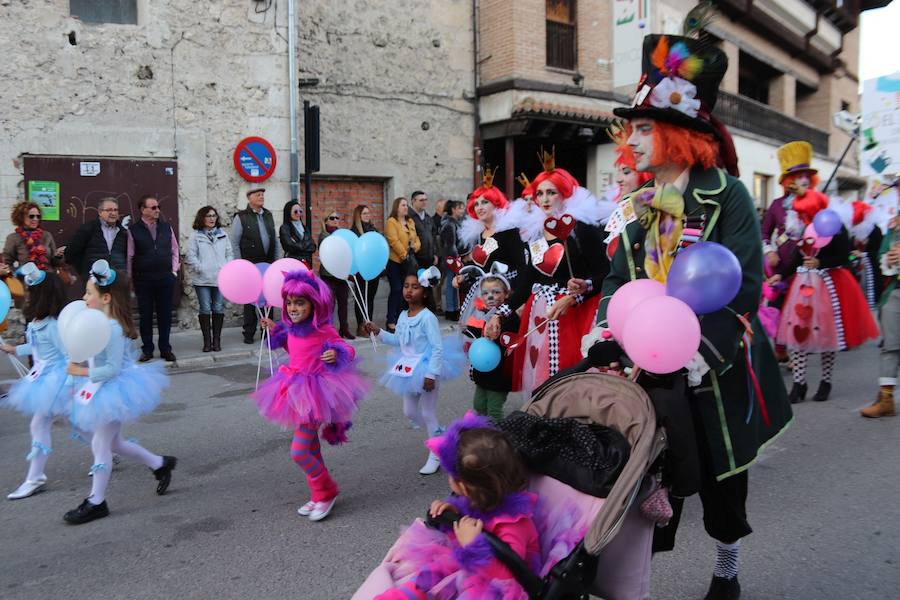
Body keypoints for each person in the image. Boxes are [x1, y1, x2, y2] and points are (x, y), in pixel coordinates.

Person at [588, 32, 793, 600]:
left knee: (723, 481)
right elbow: (617, 276)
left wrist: (700, 354)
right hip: (648, 368)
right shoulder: (641, 204)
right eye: (635, 128)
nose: (634, 140)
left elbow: (744, 285)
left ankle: (727, 566)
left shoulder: (727, 196)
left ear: (679, 131)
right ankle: (633, 582)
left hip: (713, 372)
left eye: (647, 127)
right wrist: (606, 324)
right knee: (650, 483)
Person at [361, 413, 540, 599]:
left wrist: (473, 547)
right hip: (464, 568)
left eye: (453, 477)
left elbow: (508, 578)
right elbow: (461, 530)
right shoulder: (478, 500)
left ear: (466, 486)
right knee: (429, 574)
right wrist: (453, 512)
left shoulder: (513, 525)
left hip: (493, 585)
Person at [490, 151, 613, 396]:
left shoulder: (582, 230)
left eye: (551, 192)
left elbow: (605, 275)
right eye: (540, 194)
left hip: (573, 316)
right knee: (541, 382)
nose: (544, 199)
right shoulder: (534, 234)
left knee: (570, 384)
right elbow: (526, 283)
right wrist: (498, 315)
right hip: (540, 318)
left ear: (565, 194)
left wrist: (577, 293)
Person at [64, 260, 175, 524]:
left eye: (88, 293)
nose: (84, 297)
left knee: (101, 444)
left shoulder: (112, 328)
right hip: (99, 388)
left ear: (105, 297)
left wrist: (78, 372)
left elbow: (112, 369)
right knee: (114, 443)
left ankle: (96, 501)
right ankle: (160, 464)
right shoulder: (97, 322)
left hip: (114, 389)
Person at [252, 270, 368, 521]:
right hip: (294, 389)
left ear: (314, 303)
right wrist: (275, 329)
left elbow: (346, 347)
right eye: (290, 302)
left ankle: (326, 491)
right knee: (311, 447)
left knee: (299, 451)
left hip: (315, 392)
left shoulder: (323, 330)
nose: (293, 308)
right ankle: (318, 494)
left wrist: (336, 353)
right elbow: (291, 347)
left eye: (300, 302)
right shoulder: (292, 328)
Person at [774, 203, 879, 404]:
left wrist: (821, 263)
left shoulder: (838, 229)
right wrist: (780, 274)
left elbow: (844, 257)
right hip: (804, 287)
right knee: (798, 332)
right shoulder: (806, 229)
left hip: (829, 286)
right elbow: (797, 258)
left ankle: (826, 381)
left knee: (827, 334)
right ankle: (799, 383)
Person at [365, 269, 465, 475]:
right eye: (406, 286)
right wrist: (379, 331)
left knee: (428, 412)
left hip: (427, 368)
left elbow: (437, 347)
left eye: (415, 287)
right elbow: (399, 341)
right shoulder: (403, 315)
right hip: (408, 369)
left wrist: (430, 374)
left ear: (425, 292)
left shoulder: (428, 318)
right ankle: (440, 435)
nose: (409, 291)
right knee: (409, 412)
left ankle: (436, 453)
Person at [2, 265, 70, 500]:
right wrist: (13, 348)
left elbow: (68, 355)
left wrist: (67, 384)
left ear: (41, 296)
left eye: (31, 292)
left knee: (39, 424)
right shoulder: (38, 321)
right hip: (43, 377)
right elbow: (37, 347)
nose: (27, 295)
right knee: (79, 424)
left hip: (57, 380)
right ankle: (108, 450)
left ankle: (35, 477)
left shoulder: (52, 325)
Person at [455, 169, 527, 323]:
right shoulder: (479, 235)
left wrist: (519, 300)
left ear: (496, 204)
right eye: (476, 204)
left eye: (485, 202)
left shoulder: (509, 231)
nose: (479, 207)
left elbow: (522, 267)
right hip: (483, 295)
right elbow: (480, 267)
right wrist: (464, 277)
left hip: (506, 294)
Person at [461, 271, 519, 421]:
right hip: (483, 372)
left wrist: (498, 335)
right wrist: (468, 329)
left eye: (496, 292)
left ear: (506, 294)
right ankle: (483, 435)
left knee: (494, 409)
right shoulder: (484, 313)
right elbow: (478, 333)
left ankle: (499, 439)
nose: (490, 296)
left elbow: (513, 339)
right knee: (479, 405)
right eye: (486, 293)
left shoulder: (510, 317)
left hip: (500, 373)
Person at [127, 194, 179, 362]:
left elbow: (175, 250)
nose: (157, 210)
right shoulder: (134, 230)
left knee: (165, 315)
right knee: (146, 315)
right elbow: (130, 256)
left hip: (165, 277)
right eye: (153, 207)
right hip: (144, 279)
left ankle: (165, 348)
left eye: (158, 207)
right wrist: (130, 279)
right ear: (143, 210)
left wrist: (174, 271)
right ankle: (147, 349)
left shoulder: (166, 227)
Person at [231, 188, 280, 344]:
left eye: (262, 194)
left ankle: (267, 332)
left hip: (268, 263)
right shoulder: (241, 217)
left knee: (269, 298)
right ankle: (249, 332)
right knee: (250, 299)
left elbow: (275, 238)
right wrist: (240, 265)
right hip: (250, 264)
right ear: (249, 198)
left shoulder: (268, 215)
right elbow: (234, 242)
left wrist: (277, 261)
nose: (261, 197)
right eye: (257, 195)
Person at [864, 214, 900, 418]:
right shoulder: (896, 223)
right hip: (896, 290)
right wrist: (889, 258)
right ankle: (886, 399)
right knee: (891, 345)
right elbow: (882, 254)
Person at [185, 206, 232, 353]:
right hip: (202, 280)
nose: (212, 218)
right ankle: (207, 342)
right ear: (202, 218)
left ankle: (216, 341)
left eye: (214, 215)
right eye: (208, 216)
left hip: (220, 279)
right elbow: (190, 256)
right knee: (205, 309)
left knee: (218, 308)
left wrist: (226, 266)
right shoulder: (196, 236)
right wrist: (201, 267)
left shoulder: (223, 234)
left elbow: (229, 253)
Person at [605, 122, 654, 259]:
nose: (618, 179)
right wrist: (590, 282)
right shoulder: (616, 213)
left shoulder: (657, 211)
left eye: (626, 172)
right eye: (618, 172)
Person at [64, 197, 128, 283]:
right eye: (109, 210)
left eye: (115, 210)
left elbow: (128, 255)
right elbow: (71, 253)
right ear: (100, 212)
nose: (113, 213)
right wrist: (85, 271)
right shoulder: (88, 229)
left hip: (117, 277)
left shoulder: (123, 232)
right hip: (95, 278)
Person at [384, 197, 421, 332]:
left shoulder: (410, 221)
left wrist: (415, 247)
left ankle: (401, 317)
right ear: (396, 207)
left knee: (406, 291)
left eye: (406, 205)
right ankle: (391, 320)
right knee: (396, 289)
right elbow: (393, 240)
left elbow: (416, 239)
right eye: (403, 205)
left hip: (408, 262)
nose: (406, 207)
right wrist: (404, 255)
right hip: (395, 262)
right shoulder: (391, 222)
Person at [318, 212, 355, 340]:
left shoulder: (342, 235)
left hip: (341, 274)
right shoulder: (324, 235)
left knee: (343, 303)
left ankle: (344, 329)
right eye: (331, 218)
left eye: (337, 218)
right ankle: (329, 331)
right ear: (326, 221)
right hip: (328, 275)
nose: (335, 220)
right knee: (330, 305)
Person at [3, 201, 64, 271]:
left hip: (48, 278)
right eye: (31, 216)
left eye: (38, 216)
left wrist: (58, 256)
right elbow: (7, 262)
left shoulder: (47, 235)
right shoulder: (14, 238)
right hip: (27, 280)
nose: (35, 219)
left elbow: (56, 263)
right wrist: (17, 274)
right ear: (21, 217)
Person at [350, 204, 380, 337]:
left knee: (371, 298)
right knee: (361, 298)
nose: (367, 216)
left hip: (374, 268)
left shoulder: (373, 230)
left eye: (368, 213)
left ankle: (369, 324)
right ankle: (360, 326)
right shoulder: (354, 232)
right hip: (361, 270)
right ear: (358, 216)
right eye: (364, 214)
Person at [439, 200, 467, 321]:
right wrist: (456, 259)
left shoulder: (457, 222)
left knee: (455, 284)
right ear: (454, 209)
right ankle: (450, 310)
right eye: (460, 208)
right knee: (451, 284)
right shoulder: (449, 224)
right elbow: (450, 245)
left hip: (456, 258)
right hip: (451, 259)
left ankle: (455, 308)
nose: (462, 210)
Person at [279, 200, 316, 266]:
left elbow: (313, 247)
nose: (298, 213)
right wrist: (306, 246)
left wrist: (299, 246)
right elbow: (289, 246)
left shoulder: (305, 227)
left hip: (306, 262)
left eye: (300, 211)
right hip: (292, 263)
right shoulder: (285, 228)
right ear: (289, 212)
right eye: (295, 211)